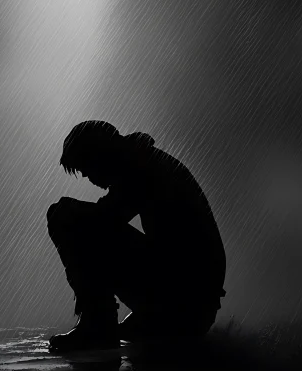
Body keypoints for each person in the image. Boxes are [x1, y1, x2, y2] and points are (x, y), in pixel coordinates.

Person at [47, 120, 226, 352]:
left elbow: (106, 219)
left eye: (86, 168)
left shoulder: (139, 168)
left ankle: (97, 324)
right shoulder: (145, 161)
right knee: (84, 222)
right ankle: (143, 320)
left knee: (63, 216)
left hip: (184, 301)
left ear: (97, 154)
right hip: (193, 300)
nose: (88, 178)